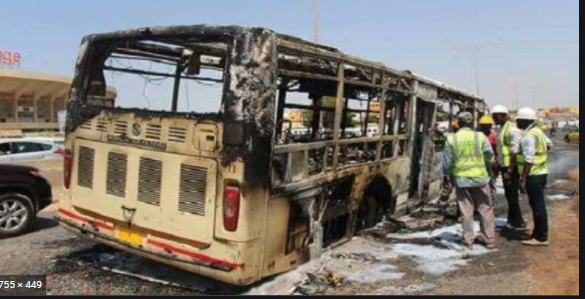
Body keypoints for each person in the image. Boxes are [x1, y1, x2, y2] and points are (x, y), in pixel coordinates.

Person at [443, 112, 496, 249]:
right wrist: (486, 166)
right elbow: (489, 155)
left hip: (462, 179)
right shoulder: (480, 136)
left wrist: (446, 176)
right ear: (472, 123)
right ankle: (489, 239)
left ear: (459, 123)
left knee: (466, 211)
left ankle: (468, 240)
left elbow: (447, 162)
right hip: (480, 178)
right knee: (485, 209)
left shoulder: (452, 139)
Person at [515, 107, 552, 246]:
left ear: (525, 121)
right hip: (541, 172)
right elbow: (549, 144)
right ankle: (538, 233)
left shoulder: (529, 135)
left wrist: (523, 179)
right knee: (537, 205)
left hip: (533, 175)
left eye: (518, 120)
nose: (517, 123)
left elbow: (529, 159)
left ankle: (541, 237)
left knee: (537, 206)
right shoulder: (538, 132)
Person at [491, 105, 526, 230]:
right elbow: (501, 149)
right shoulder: (502, 129)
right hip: (504, 165)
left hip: (511, 167)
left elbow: (515, 152)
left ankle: (518, 221)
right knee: (509, 194)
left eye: (496, 116)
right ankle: (514, 220)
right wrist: (497, 161)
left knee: (512, 195)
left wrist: (510, 170)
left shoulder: (512, 130)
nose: (494, 119)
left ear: (504, 116)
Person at [478, 116, 498, 206]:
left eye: (487, 125)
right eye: (483, 125)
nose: (485, 127)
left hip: (490, 164)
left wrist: (496, 161)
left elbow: (498, 150)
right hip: (479, 164)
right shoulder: (477, 136)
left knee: (491, 183)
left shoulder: (493, 136)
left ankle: (492, 203)